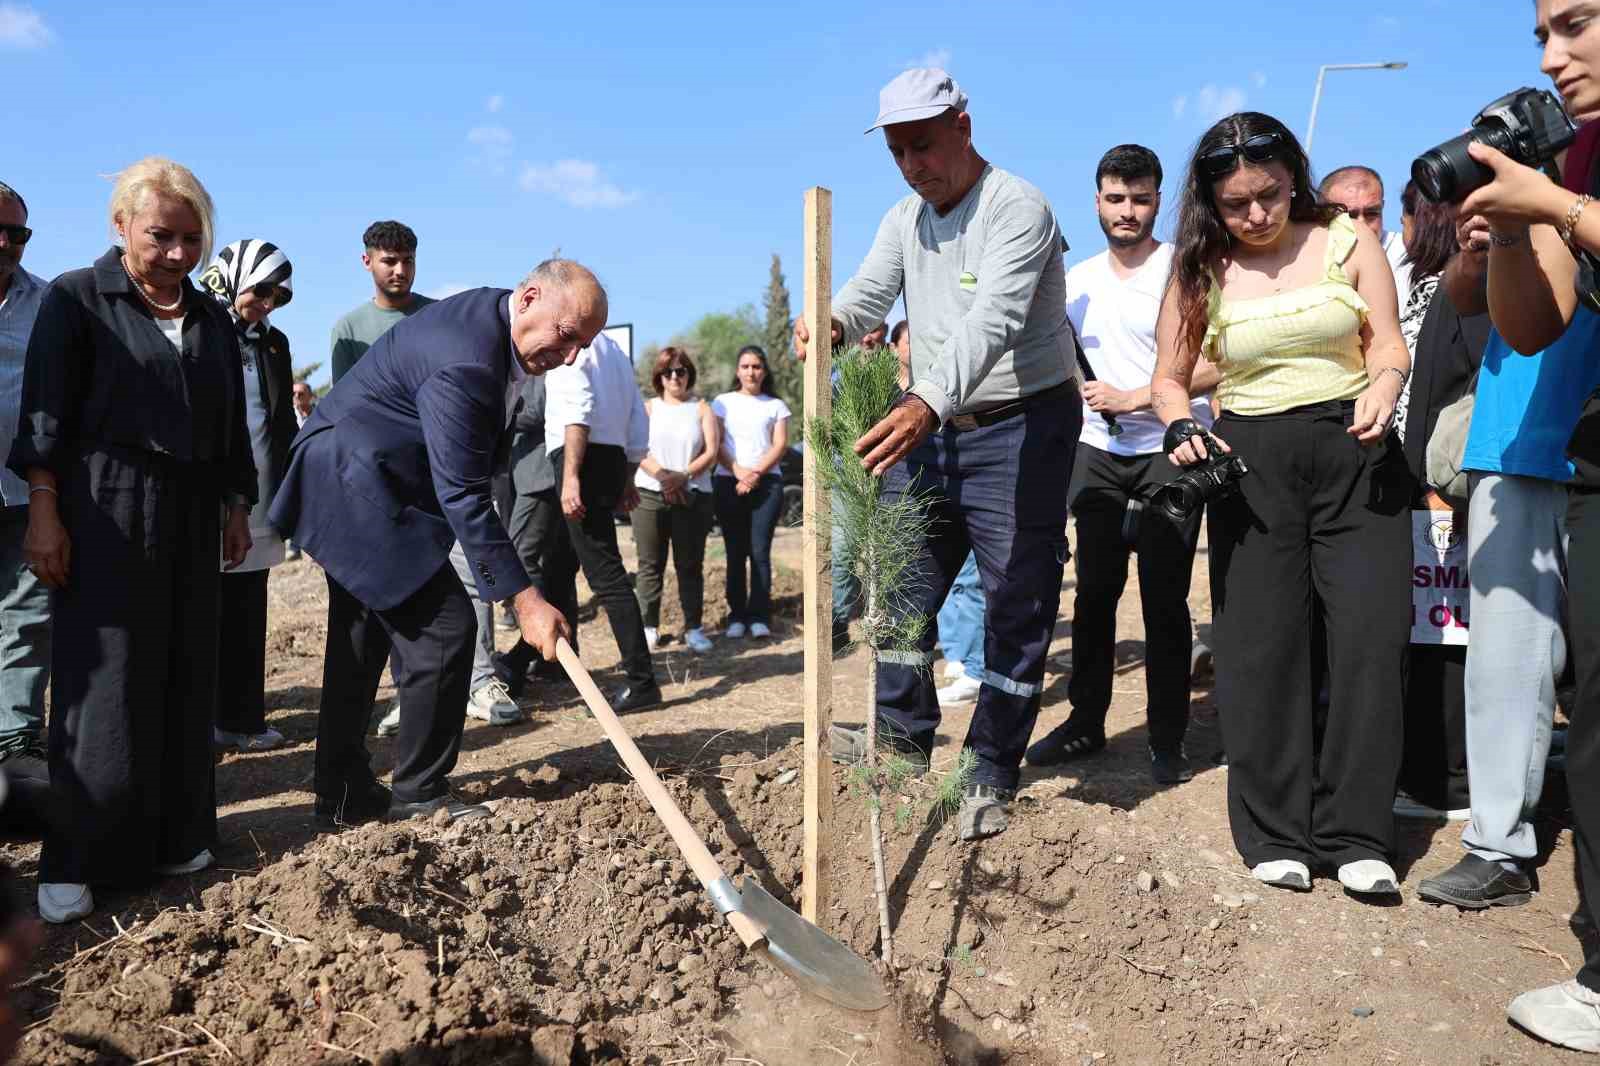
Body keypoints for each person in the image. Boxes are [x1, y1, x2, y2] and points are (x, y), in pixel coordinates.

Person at [796, 68, 1081, 840]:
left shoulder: (1017, 208)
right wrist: (829, 319)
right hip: (935, 427)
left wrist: (925, 399)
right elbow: (867, 294)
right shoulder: (904, 218)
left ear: (963, 123)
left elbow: (994, 320)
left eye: (923, 144)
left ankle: (990, 763)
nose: (913, 164)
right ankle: (901, 741)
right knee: (903, 586)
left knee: (1016, 598)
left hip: (1024, 422)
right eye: (897, 152)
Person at [1150, 113, 1412, 896]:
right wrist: (1177, 428)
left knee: (1368, 642)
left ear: (1294, 176)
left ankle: (1358, 833)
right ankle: (1276, 831)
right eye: (1236, 203)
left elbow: (1389, 343)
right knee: (1264, 649)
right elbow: (1171, 377)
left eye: (1268, 194)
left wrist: (1387, 386)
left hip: (1357, 453)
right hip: (1250, 463)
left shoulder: (1346, 240)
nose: (1257, 214)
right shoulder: (1200, 267)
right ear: (1210, 204)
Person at [10, 157, 256, 923]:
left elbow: (226, 422)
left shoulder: (211, 317)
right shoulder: (77, 301)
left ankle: (176, 836)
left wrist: (235, 504)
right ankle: (77, 856)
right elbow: (45, 417)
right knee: (105, 680)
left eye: (193, 239)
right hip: (105, 504)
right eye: (161, 237)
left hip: (189, 510)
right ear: (120, 227)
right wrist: (44, 511)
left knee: (186, 669)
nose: (179, 254)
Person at [269, 261, 601, 829]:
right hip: (355, 481)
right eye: (566, 336)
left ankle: (342, 791)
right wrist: (525, 601)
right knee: (445, 628)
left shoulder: (496, 322)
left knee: (363, 635)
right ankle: (420, 793)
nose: (569, 356)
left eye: (582, 346)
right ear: (529, 297)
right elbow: (466, 493)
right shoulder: (469, 360)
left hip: (356, 474)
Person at [1446, 0, 1600, 1045]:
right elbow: (1532, 319)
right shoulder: (1575, 155)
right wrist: (1513, 217)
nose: (1551, 55)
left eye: (1578, 23)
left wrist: (1554, 200)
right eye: (1540, 32)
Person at [1025, 144, 1219, 785]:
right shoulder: (1074, 283)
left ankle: (1167, 736)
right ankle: (1086, 723)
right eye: (1115, 198)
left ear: (1159, 199)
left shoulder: (1185, 270)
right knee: (1095, 596)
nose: (1127, 211)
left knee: (1165, 599)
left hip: (1172, 445)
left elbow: (1224, 357)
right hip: (1098, 453)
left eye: (1139, 199)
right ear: (1097, 201)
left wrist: (1138, 395)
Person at [1385, 190, 1490, 824]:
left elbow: (1452, 388)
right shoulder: (1431, 286)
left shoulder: (1462, 288)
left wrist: (1435, 486)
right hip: (1426, 489)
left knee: (1444, 633)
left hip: (1443, 494)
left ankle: (1442, 778)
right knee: (1434, 628)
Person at [196, 240, 299, 752]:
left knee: (247, 607)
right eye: (260, 289)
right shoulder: (199, 328)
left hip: (257, 496)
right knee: (200, 608)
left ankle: (240, 717)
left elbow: (279, 422)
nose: (267, 302)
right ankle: (200, 719)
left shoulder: (274, 343)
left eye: (279, 295)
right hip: (204, 494)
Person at [544, 331, 660, 710]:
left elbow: (577, 409)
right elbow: (636, 418)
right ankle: (547, 660)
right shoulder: (614, 350)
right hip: (609, 459)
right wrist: (626, 478)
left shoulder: (571, 343)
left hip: (581, 457)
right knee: (559, 565)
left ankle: (642, 682)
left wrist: (571, 477)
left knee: (606, 574)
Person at [0, 182, 50, 827]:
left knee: (26, 620)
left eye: (18, 233)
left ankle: (13, 752)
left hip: (25, 492)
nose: (6, 243)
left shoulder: (48, 305)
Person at [490, 371, 580, 695]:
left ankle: (525, 651)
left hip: (539, 478)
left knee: (519, 556)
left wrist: (494, 405)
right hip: (530, 478)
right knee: (555, 568)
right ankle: (556, 657)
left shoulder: (546, 370)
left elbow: (537, 409)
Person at [634, 347, 718, 653]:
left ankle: (694, 627)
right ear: (658, 376)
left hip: (692, 494)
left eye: (680, 371)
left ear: (689, 375)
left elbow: (710, 451)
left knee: (690, 564)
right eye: (668, 372)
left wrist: (682, 476)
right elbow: (638, 447)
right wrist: (663, 477)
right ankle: (648, 627)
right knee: (649, 564)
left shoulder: (701, 408)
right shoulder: (648, 408)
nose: (674, 377)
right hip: (649, 493)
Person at [712, 345, 791, 640]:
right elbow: (715, 442)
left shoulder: (776, 406)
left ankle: (759, 616)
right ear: (737, 371)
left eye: (756, 366)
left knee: (759, 553)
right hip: (728, 482)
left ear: (764, 371)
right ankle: (736, 616)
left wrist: (756, 473)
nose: (751, 372)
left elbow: (780, 444)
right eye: (745, 366)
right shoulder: (722, 402)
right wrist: (739, 472)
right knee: (735, 553)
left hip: (766, 485)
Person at [329, 221, 434, 384]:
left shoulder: (442, 314)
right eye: (390, 262)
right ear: (367, 261)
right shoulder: (348, 330)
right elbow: (343, 405)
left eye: (408, 261)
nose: (400, 271)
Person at [1321, 165, 1412, 303]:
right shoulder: (1309, 258)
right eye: (1350, 216)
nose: (1362, 224)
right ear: (1324, 216)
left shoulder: (1410, 255)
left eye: (1372, 213)